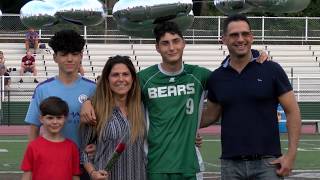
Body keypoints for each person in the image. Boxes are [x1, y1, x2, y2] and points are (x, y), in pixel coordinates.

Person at [81, 21, 268, 180]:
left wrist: (255, 56)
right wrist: (87, 102)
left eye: (176, 41)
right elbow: (116, 85)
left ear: (184, 43)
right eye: (165, 43)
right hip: (154, 165)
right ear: (157, 47)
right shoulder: (145, 78)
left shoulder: (199, 75)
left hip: (189, 166)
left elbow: (230, 78)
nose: (171, 48)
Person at [201, 14, 301, 179]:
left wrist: (291, 155)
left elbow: (293, 111)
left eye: (245, 34)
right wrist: (181, 123)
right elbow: (211, 115)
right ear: (224, 39)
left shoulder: (272, 69)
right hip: (230, 165)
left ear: (252, 37)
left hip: (267, 164)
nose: (240, 39)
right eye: (234, 35)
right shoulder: (217, 77)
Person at [24, 29, 96, 180]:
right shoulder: (43, 89)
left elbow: (103, 125)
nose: (69, 59)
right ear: (55, 57)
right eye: (64, 54)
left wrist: (98, 146)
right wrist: (33, 162)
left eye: (75, 54)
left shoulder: (93, 89)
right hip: (51, 163)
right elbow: (34, 128)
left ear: (81, 56)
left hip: (87, 164)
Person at [80, 55, 146, 180]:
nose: (121, 79)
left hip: (138, 175)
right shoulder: (95, 110)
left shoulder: (142, 107)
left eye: (125, 74)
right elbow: (84, 151)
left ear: (132, 78)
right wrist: (93, 173)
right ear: (107, 79)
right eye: (115, 75)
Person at [21, 96, 81, 180]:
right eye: (50, 118)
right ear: (41, 119)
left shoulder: (72, 147)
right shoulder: (33, 146)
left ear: (66, 119)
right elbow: (27, 174)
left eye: (59, 118)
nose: (55, 122)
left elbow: (75, 175)